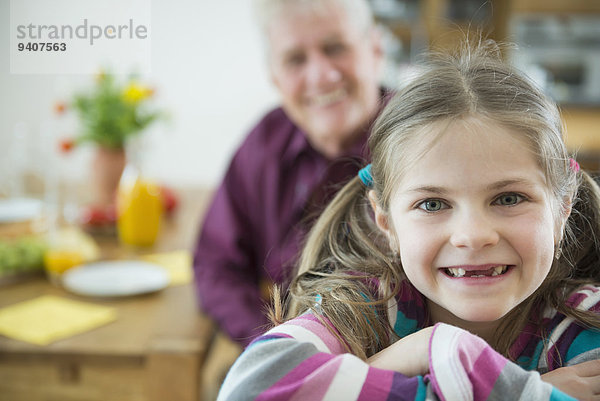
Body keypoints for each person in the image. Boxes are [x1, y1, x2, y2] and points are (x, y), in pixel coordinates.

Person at [217, 41, 600, 401]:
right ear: (386, 222)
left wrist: (378, 371)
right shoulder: (366, 308)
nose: (472, 235)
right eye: (432, 204)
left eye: (509, 198)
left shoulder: (584, 321)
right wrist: (451, 353)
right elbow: (249, 388)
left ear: (562, 207)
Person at [194, 0, 386, 346]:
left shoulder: (421, 143)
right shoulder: (265, 143)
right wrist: (274, 346)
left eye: (335, 47)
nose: (321, 76)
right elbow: (216, 263)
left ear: (375, 49)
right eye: (295, 59)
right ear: (275, 78)